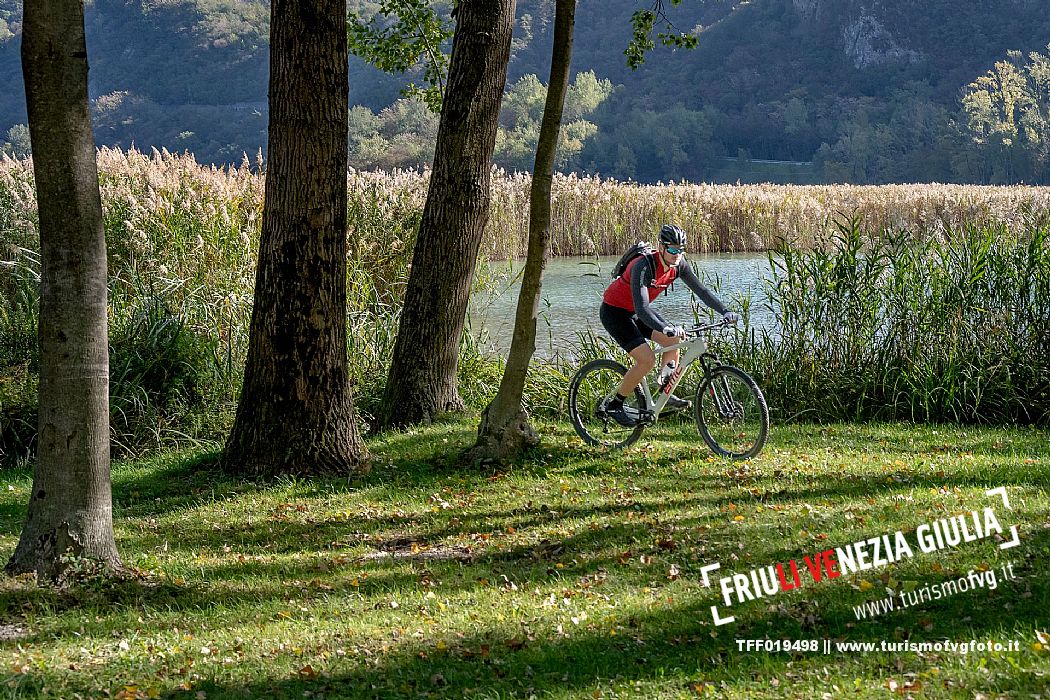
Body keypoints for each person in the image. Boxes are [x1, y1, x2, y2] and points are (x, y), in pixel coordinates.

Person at [599, 224, 739, 427]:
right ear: (661, 247)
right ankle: (615, 404)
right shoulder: (643, 265)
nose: (677, 254)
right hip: (615, 312)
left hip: (636, 311)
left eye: (681, 250)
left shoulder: (679, 266)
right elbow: (642, 308)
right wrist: (664, 327)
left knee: (674, 339)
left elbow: (702, 291)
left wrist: (725, 311)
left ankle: (665, 386)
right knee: (646, 360)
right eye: (672, 249)